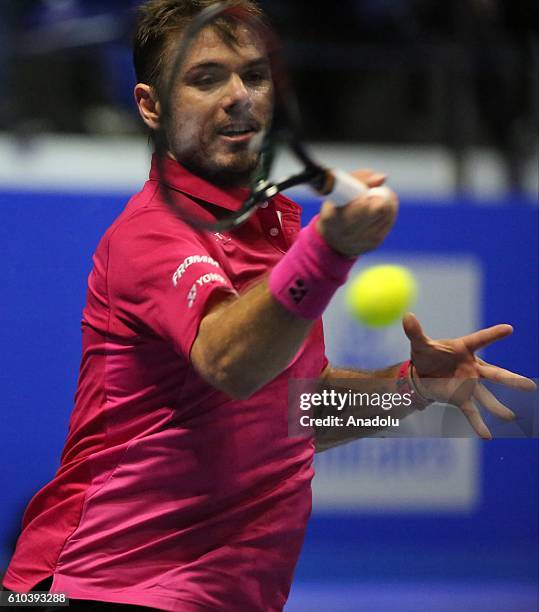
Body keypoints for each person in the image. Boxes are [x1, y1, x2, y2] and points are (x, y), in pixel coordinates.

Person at [1, 0, 535, 610]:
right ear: (150, 105)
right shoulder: (152, 233)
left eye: (253, 76)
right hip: (100, 588)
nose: (239, 96)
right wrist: (329, 252)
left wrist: (412, 391)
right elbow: (231, 366)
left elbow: (285, 413)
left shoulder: (270, 231)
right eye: (206, 79)